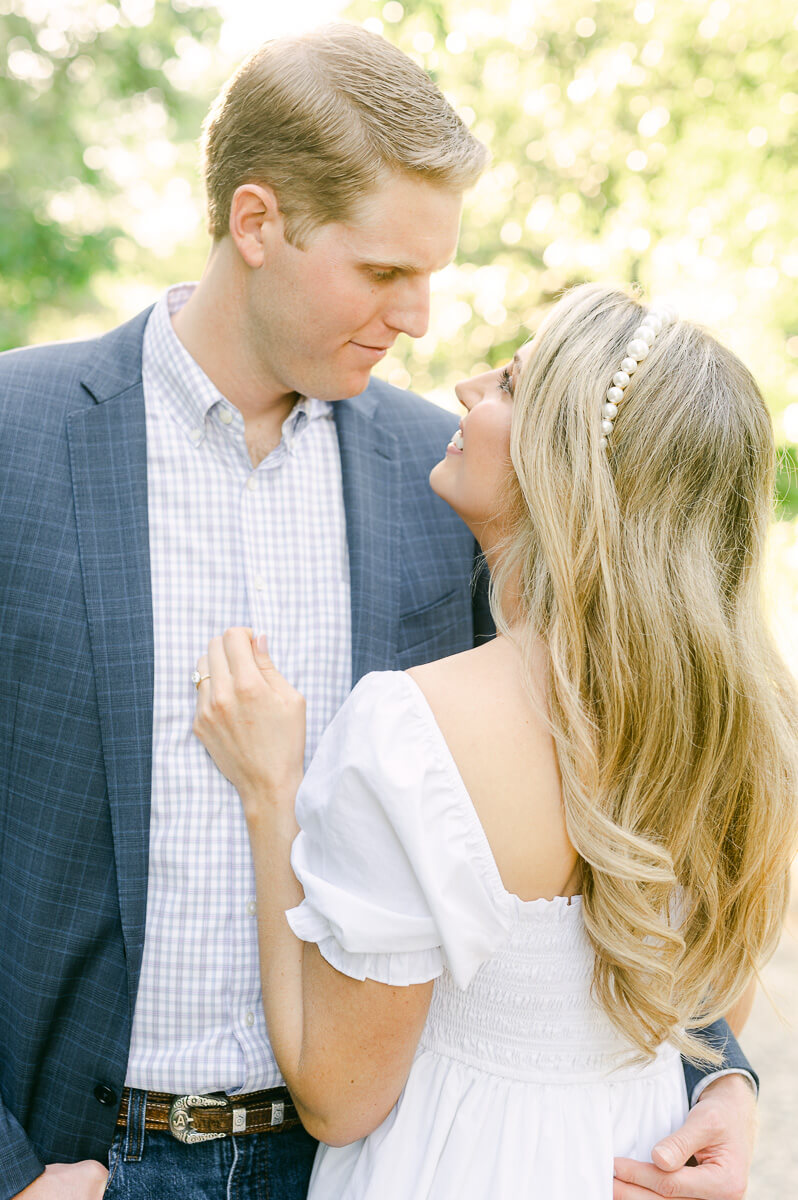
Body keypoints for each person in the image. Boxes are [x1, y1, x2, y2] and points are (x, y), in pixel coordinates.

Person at [0, 21, 757, 1200]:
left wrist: (722, 1073)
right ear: (257, 223)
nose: (416, 319)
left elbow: (622, 784)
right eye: (384, 272)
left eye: (431, 278)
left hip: (364, 1158)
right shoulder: (17, 439)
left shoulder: (446, 483)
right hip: (82, 1164)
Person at [193, 283, 798, 1200]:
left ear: (567, 464)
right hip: (632, 1160)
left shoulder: (414, 727)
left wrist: (270, 791)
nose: (468, 386)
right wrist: (729, 1085)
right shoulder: (747, 728)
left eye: (511, 384)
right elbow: (705, 1010)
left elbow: (340, 1097)